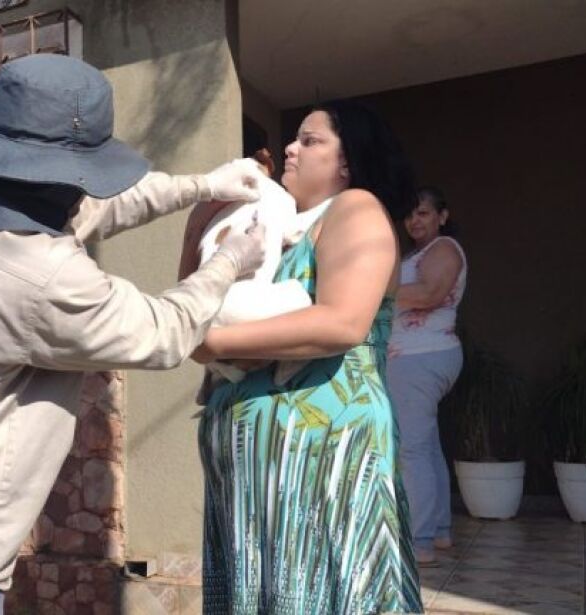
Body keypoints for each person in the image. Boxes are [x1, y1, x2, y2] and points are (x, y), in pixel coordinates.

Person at [0, 53, 268, 614]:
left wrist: (203, 185)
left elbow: (92, 211)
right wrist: (230, 260)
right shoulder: (35, 275)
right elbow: (162, 332)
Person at [183, 100, 423, 614]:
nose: (290, 147)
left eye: (310, 141)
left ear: (348, 162)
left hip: (322, 464)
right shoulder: (278, 226)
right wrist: (198, 224)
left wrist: (213, 345)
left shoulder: (355, 208)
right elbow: (192, 308)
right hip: (260, 481)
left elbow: (342, 322)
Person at [387, 186, 467, 566]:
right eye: (409, 215)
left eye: (423, 213)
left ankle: (418, 541)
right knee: (427, 444)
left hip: (421, 357)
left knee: (411, 449)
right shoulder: (417, 253)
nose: (414, 221)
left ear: (442, 216)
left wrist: (374, 289)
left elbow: (430, 293)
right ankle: (438, 533)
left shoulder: (445, 248)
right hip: (416, 357)